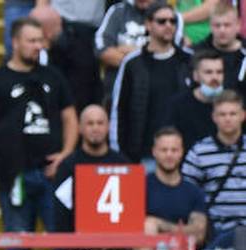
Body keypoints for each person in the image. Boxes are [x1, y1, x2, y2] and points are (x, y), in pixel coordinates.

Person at [0, 17, 77, 232]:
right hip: (12, 175)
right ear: (15, 42)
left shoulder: (54, 76)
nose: (38, 46)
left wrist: (65, 154)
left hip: (51, 172)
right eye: (31, 41)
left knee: (61, 241)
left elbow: (70, 117)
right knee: (17, 241)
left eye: (40, 41)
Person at [109, 3, 192, 165]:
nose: (168, 26)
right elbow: (119, 110)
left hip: (185, 156)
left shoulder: (188, 61)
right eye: (162, 21)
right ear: (148, 24)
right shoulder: (132, 63)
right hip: (144, 155)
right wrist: (120, 155)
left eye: (172, 21)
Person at [50, 104, 128, 232]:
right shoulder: (68, 166)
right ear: (80, 128)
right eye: (90, 123)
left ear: (108, 127)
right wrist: (66, 248)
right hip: (80, 246)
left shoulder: (123, 165)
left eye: (100, 123)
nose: (95, 128)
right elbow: (60, 210)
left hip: (118, 244)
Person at [181, 91, 246, 241]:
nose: (228, 119)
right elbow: (187, 192)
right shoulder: (199, 151)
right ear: (214, 117)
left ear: (243, 115)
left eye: (232, 114)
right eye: (222, 114)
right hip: (216, 232)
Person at [95, 0, 178, 92]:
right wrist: (148, 57)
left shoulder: (168, 16)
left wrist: (130, 51)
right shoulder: (119, 11)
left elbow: (171, 57)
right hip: (118, 88)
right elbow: (101, 50)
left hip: (158, 89)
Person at [146, 128, 209, 245]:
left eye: (174, 150)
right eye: (164, 150)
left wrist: (160, 225)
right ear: (154, 152)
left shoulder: (193, 192)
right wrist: (183, 230)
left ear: (182, 152)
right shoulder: (140, 187)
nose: (169, 155)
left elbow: (199, 234)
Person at [193, 2, 246, 91]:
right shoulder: (196, 53)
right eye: (217, 25)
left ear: (238, 24)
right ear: (210, 25)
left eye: (227, 25)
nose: (222, 30)